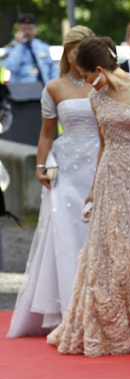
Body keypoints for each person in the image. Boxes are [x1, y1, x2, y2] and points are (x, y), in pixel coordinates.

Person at [47, 36, 130, 357]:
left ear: (97, 69)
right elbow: (103, 145)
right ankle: (123, 327)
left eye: (83, 75)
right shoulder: (96, 98)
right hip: (111, 176)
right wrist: (94, 190)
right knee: (110, 251)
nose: (82, 82)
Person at [7, 26, 99, 338]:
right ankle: (68, 309)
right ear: (67, 52)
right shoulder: (54, 86)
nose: (77, 53)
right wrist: (40, 165)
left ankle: (100, 307)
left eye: (83, 47)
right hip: (67, 167)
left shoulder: (104, 84)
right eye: (73, 48)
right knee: (65, 233)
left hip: (99, 163)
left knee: (96, 233)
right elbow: (46, 133)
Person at [2, 13, 59, 85]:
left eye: (30, 29)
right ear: (18, 30)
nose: (27, 32)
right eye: (24, 29)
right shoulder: (11, 48)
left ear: (35, 29)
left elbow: (53, 71)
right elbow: (11, 67)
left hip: (44, 91)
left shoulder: (43, 47)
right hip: (23, 92)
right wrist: (19, 45)